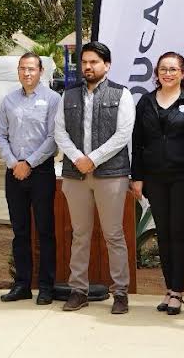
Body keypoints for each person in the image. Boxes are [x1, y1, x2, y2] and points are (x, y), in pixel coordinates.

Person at [53, 41, 135, 314]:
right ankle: (79, 290)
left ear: (106, 65)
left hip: (111, 174)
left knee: (113, 234)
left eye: (94, 62)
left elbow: (123, 134)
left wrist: (94, 158)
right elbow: (59, 132)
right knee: (80, 234)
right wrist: (78, 158)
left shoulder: (121, 94)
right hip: (75, 174)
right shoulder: (69, 95)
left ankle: (120, 293)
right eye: (84, 62)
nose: (88, 66)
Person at [130, 51, 184, 315]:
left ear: (183, 73)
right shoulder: (145, 102)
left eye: (173, 69)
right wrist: (137, 176)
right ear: (157, 73)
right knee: (163, 233)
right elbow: (137, 143)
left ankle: (178, 291)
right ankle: (168, 289)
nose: (168, 73)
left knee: (178, 231)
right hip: (154, 177)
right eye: (163, 69)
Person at [0, 53, 60, 305]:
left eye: (31, 69)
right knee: (19, 231)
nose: (27, 73)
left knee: (45, 231)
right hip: (14, 173)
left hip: (41, 171)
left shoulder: (53, 99)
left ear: (41, 71)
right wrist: (14, 163)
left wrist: (29, 163)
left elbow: (53, 137)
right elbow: (0, 135)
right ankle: (22, 284)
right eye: (22, 69)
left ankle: (46, 286)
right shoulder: (9, 100)